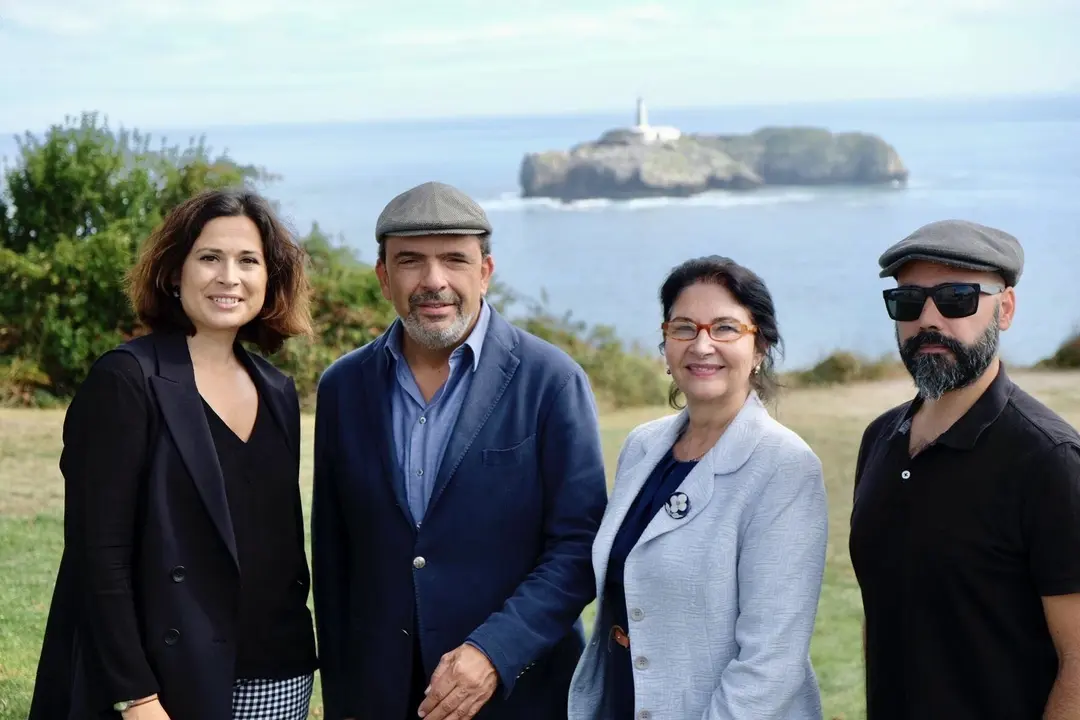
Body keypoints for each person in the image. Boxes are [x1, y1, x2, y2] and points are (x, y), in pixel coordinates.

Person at [310, 180, 609, 720]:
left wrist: (495, 651)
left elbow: (577, 548)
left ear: (485, 273)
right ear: (383, 277)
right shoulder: (342, 387)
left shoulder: (551, 380)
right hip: (381, 698)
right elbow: (334, 564)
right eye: (410, 262)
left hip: (519, 697)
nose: (434, 281)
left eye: (454, 259)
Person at [28, 188, 319, 720]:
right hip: (166, 684)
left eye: (248, 261)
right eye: (210, 257)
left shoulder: (278, 390)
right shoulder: (126, 380)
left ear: (270, 279)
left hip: (280, 677)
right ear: (173, 272)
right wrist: (135, 695)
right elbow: (99, 556)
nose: (229, 277)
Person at [567, 255, 828, 720]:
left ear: (760, 345)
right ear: (665, 343)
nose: (702, 344)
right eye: (684, 327)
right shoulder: (642, 447)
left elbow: (771, 664)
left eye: (725, 328)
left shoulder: (783, 467)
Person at [849, 219, 1080, 719]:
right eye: (909, 301)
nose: (929, 319)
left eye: (957, 298)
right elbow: (884, 614)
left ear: (1006, 309)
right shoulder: (880, 441)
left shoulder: (1049, 460)